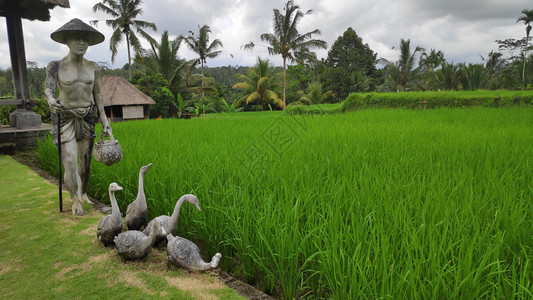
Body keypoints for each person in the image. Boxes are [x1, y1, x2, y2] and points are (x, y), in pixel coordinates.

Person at [45, 18, 112, 216]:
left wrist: (105, 121)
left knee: (85, 163)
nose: (82, 43)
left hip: (87, 117)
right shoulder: (55, 66)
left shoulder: (94, 67)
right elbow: (49, 89)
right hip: (65, 117)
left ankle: (82, 193)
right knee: (70, 161)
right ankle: (75, 200)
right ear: (67, 41)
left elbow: (98, 95)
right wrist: (50, 101)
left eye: (85, 40)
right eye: (77, 38)